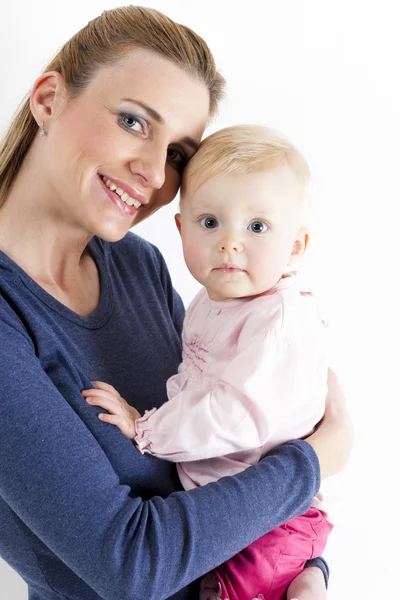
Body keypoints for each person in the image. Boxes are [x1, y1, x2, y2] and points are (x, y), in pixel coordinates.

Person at [0, 6, 353, 600]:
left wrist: (305, 567)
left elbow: (237, 453)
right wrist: (316, 461)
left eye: (179, 155)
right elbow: (132, 564)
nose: (152, 172)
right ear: (48, 100)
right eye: (134, 122)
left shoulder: (138, 267)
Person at [83, 124, 336, 600]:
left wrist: (145, 428)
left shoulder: (277, 319)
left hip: (267, 525)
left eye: (256, 227)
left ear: (296, 246)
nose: (229, 243)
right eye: (210, 222)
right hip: (238, 511)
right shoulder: (211, 299)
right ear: (181, 228)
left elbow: (233, 411)